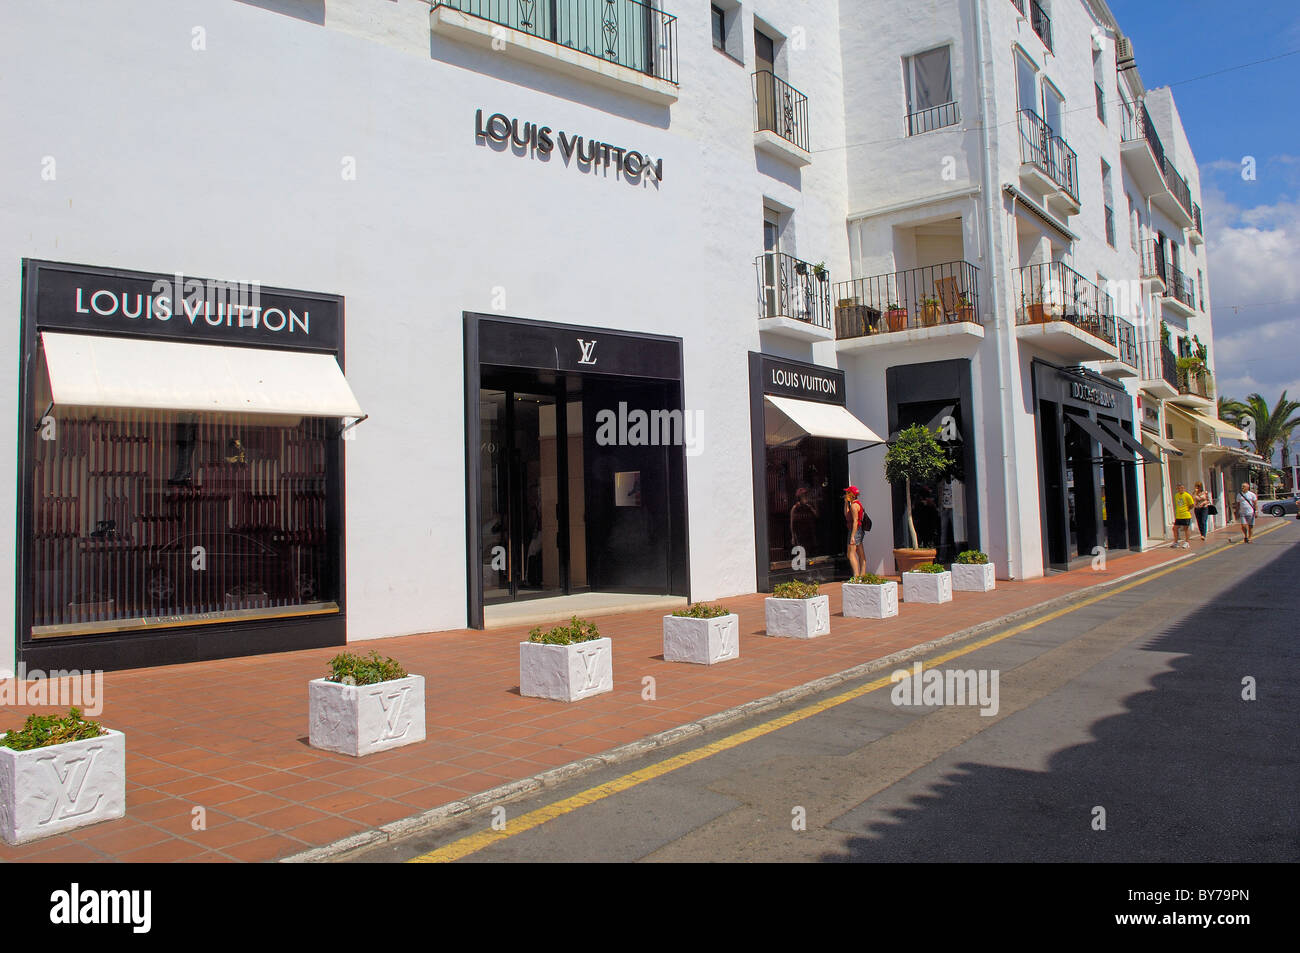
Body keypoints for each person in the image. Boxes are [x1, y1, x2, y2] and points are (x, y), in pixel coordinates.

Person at [843, 486, 867, 577]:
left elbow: (855, 521)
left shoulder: (854, 506)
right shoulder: (854, 504)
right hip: (857, 530)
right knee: (860, 552)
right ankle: (862, 575)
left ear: (851, 495)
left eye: (847, 493)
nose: (846, 495)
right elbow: (846, 515)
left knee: (851, 554)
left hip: (855, 530)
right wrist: (846, 503)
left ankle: (856, 576)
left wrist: (852, 536)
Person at [1171, 483, 1194, 549]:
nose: (1180, 489)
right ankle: (1176, 542)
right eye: (1178, 488)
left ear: (1184, 488)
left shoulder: (1187, 495)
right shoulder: (1176, 495)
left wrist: (1187, 509)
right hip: (1179, 515)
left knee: (1185, 528)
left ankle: (1187, 542)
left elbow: (1192, 504)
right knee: (1175, 528)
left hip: (1185, 515)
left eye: (1181, 488)